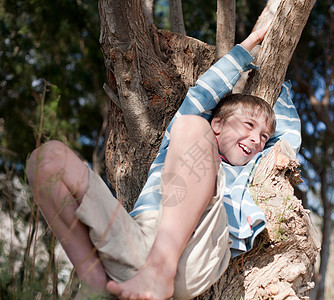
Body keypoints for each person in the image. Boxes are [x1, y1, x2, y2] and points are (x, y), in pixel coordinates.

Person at [26, 24, 301, 300]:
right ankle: (95, 281)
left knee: (192, 127)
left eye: (264, 136)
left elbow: (288, 139)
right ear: (216, 123)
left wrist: (279, 78)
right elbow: (202, 94)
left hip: (194, 254)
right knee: (46, 159)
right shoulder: (182, 138)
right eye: (248, 125)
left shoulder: (249, 170)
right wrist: (249, 44)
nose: (256, 139)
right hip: (136, 241)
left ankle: (161, 270)